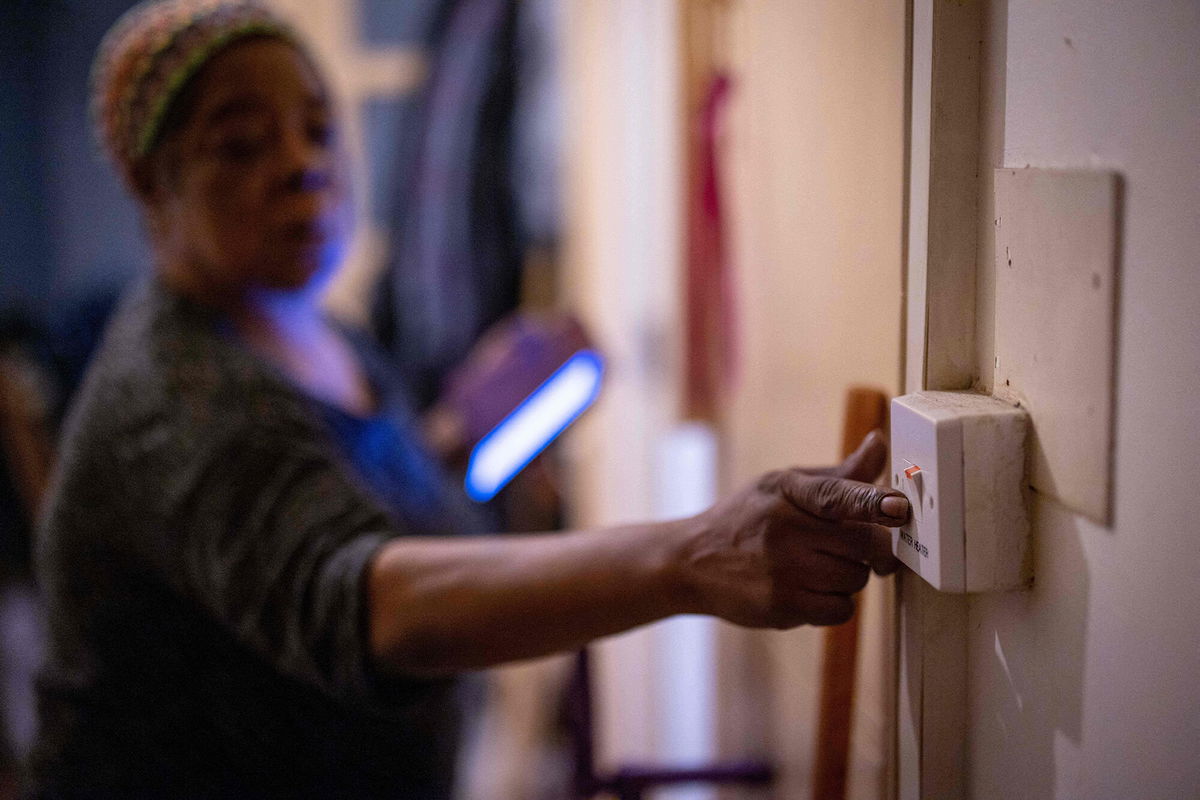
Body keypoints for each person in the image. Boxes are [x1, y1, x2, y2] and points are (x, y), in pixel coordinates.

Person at [29, 1, 910, 796]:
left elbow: (325, 497)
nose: (303, 165)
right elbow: (372, 607)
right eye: (241, 143)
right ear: (154, 185)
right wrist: (696, 554)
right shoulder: (175, 399)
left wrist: (454, 435)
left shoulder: (298, 321)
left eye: (315, 126)